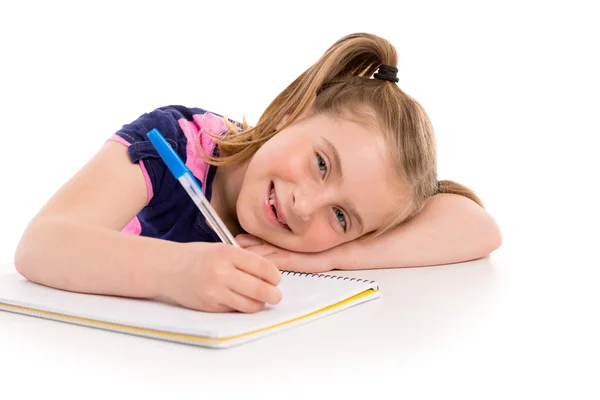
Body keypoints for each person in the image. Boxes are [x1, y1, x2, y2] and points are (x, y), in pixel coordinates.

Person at [14, 33, 501, 314]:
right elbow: (42, 244)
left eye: (341, 216)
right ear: (296, 111)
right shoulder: (174, 145)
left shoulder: (328, 235)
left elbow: (478, 226)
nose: (304, 205)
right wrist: (174, 272)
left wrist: (338, 256)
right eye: (322, 164)